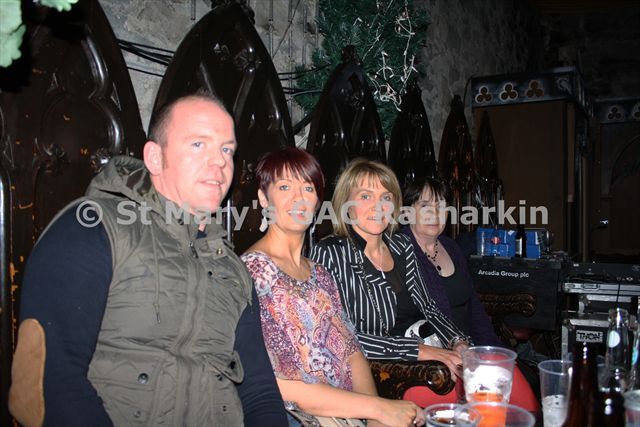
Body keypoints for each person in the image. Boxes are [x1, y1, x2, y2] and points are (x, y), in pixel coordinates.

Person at [8, 93, 288, 426]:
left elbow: (259, 392)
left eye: (227, 149)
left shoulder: (232, 269)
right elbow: (46, 383)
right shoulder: (93, 227)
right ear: (155, 157)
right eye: (198, 144)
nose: (219, 162)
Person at [241, 148, 425, 427]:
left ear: (318, 201)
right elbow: (267, 380)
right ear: (264, 198)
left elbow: (353, 352)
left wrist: (375, 418)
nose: (299, 198)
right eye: (285, 187)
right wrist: (378, 409)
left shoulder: (320, 273)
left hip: (348, 412)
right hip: (293, 417)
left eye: (308, 188)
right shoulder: (252, 272)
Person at [309, 158, 472, 380]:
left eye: (386, 197)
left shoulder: (401, 244)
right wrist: (418, 351)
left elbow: (428, 306)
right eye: (366, 196)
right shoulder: (330, 252)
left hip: (425, 356)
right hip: (374, 371)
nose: (378, 207)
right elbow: (337, 334)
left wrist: (457, 341)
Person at [401, 176, 540, 411]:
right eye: (425, 205)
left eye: (441, 205)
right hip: (435, 362)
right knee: (512, 394)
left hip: (469, 351)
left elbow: (474, 307)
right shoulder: (399, 252)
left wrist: (495, 352)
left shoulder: (451, 247)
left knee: (516, 380)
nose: (435, 213)